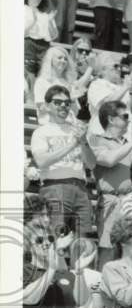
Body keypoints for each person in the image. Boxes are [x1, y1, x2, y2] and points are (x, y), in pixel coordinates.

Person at [30, 85, 96, 235]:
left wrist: (84, 142)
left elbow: (91, 164)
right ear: (47, 106)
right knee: (56, 236)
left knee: (83, 241)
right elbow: (42, 161)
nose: (63, 106)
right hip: (55, 188)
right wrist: (73, 144)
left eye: (67, 103)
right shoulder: (41, 132)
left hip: (80, 188)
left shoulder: (77, 129)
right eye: (58, 102)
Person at [24, 0, 58, 101]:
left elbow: (54, 36)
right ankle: (29, 100)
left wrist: (51, 22)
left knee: (43, 74)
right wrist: (32, 20)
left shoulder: (44, 14)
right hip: (29, 43)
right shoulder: (22, 9)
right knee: (30, 73)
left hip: (44, 46)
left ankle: (39, 101)